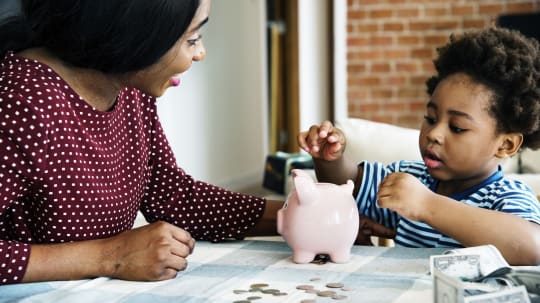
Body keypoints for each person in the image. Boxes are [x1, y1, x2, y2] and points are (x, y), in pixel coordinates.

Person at [0, 0, 292, 285]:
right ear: (135, 32)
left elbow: (172, 197)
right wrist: (109, 256)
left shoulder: (126, 85)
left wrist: (295, 215)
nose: (200, 53)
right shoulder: (21, 103)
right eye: (192, 38)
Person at [298, 27, 540, 265]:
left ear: (505, 144)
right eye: (431, 119)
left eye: (457, 127)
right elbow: (349, 186)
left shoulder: (507, 198)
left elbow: (531, 249)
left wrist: (427, 205)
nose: (434, 133)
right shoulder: (411, 178)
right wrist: (330, 159)